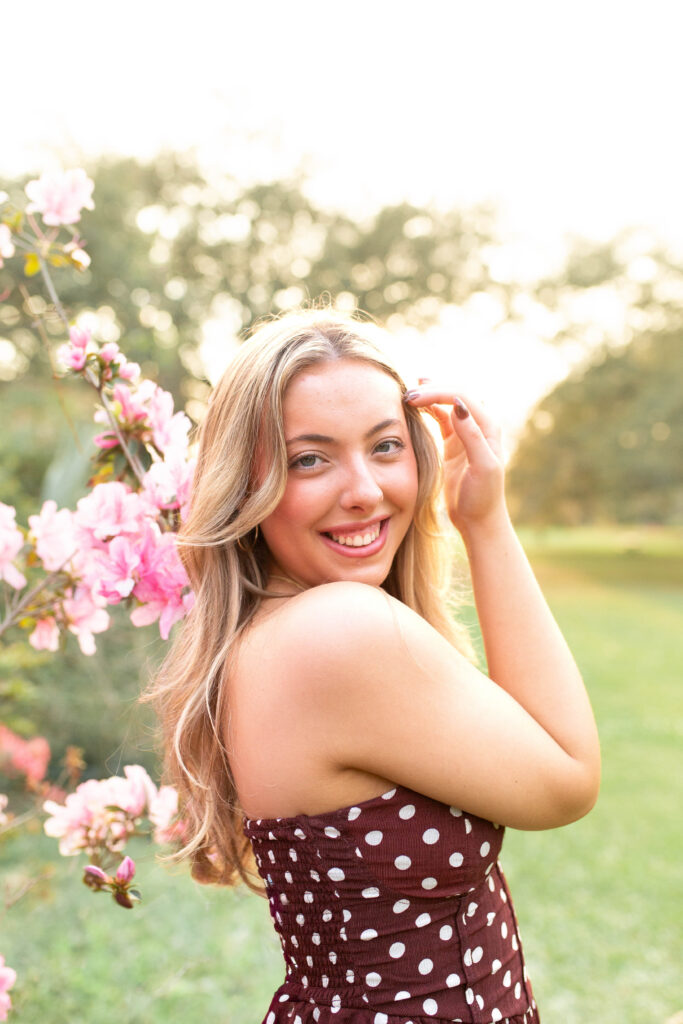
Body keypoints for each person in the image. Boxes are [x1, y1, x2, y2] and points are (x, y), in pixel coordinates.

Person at [147, 307, 600, 1024]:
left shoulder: (271, 635)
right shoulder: (337, 634)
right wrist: (486, 523)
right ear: (245, 486)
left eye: (386, 446)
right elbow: (567, 777)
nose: (362, 489)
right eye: (310, 458)